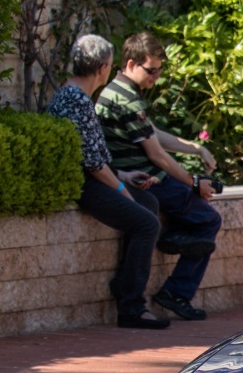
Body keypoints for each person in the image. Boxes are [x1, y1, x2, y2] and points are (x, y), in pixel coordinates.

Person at [95, 31, 219, 321]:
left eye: (160, 70)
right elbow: (157, 155)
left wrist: (196, 148)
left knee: (191, 207)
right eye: (151, 70)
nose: (156, 77)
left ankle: (175, 235)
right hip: (144, 178)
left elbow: (153, 134)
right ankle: (176, 293)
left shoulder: (117, 91)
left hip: (140, 175)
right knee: (209, 219)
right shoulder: (127, 101)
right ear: (129, 64)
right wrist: (194, 182)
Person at [46, 35, 168, 329]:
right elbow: (91, 164)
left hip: (95, 178)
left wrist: (124, 176)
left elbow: (93, 155)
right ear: (102, 68)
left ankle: (126, 284)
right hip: (86, 186)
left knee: (149, 202)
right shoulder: (76, 99)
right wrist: (121, 188)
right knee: (147, 223)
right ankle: (131, 306)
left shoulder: (75, 95)